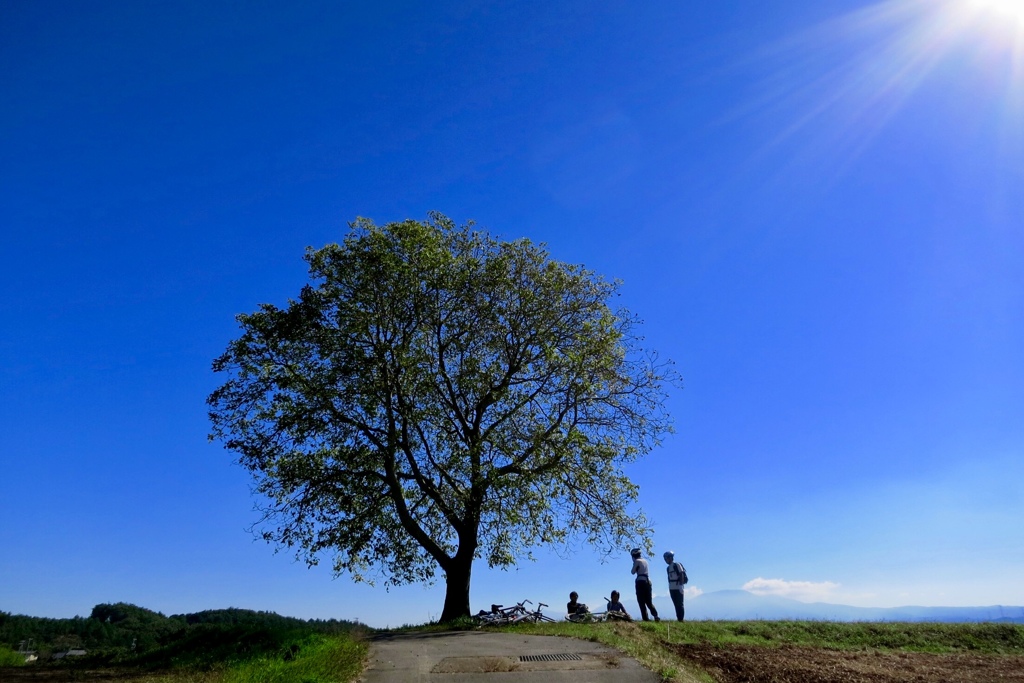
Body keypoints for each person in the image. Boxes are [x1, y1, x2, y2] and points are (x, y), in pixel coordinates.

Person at [630, 547, 660, 621]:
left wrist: (634, 565)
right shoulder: (645, 561)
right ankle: (656, 615)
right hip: (648, 581)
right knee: (649, 601)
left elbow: (632, 572)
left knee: (641, 601)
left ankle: (645, 618)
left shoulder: (637, 561)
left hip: (640, 581)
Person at [664, 550, 688, 621]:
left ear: (670, 558)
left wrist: (681, 585)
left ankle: (681, 619)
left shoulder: (677, 564)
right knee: (675, 604)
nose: (666, 560)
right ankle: (678, 618)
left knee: (679, 603)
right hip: (672, 587)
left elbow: (681, 574)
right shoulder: (668, 568)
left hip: (678, 587)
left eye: (666, 558)